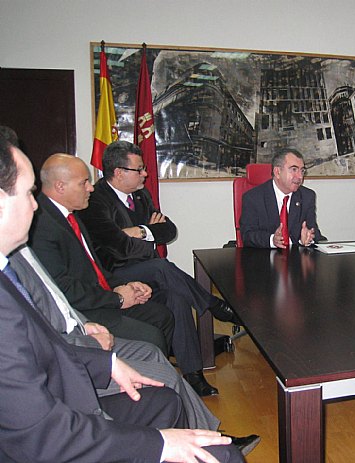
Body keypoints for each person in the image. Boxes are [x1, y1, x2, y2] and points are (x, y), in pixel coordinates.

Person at [0, 134, 243, 463]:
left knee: (172, 295)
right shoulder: (90, 205)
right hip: (105, 296)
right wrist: (120, 289)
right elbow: (114, 249)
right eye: (29, 193)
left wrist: (139, 235)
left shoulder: (126, 201)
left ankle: (196, 378)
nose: (34, 203)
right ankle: (214, 309)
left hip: (112, 288)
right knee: (160, 270)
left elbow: (166, 230)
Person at [30, 153, 217, 397]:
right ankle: (155, 391)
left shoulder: (72, 214)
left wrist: (128, 283)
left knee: (172, 302)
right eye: (83, 182)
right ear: (60, 186)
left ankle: (181, 380)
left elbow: (166, 230)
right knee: (155, 311)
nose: (90, 187)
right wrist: (118, 297)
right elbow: (66, 287)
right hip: (88, 309)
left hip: (112, 283)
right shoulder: (45, 225)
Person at [78, 140, 238, 325]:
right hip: (115, 275)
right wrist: (149, 237)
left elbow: (169, 230)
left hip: (147, 268)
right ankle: (215, 306)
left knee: (177, 299)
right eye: (139, 170)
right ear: (119, 173)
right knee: (161, 266)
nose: (145, 174)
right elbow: (120, 248)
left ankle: (193, 355)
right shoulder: (95, 200)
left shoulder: (141, 194)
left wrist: (141, 231)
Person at [240, 148, 325, 248]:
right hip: (263, 258)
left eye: (302, 171)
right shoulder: (253, 198)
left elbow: (313, 232)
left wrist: (308, 239)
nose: (299, 177)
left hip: (295, 259)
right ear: (277, 172)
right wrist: (272, 240)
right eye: (294, 169)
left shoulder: (307, 196)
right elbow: (247, 235)